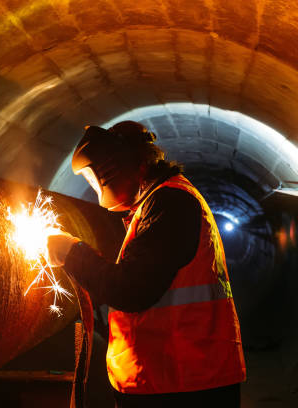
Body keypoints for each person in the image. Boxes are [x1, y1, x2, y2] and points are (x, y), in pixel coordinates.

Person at [47, 121, 246, 408]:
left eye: (96, 177)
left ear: (127, 166)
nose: (96, 186)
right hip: (175, 377)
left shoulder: (170, 203)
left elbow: (131, 289)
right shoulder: (157, 203)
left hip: (182, 383)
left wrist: (72, 252)